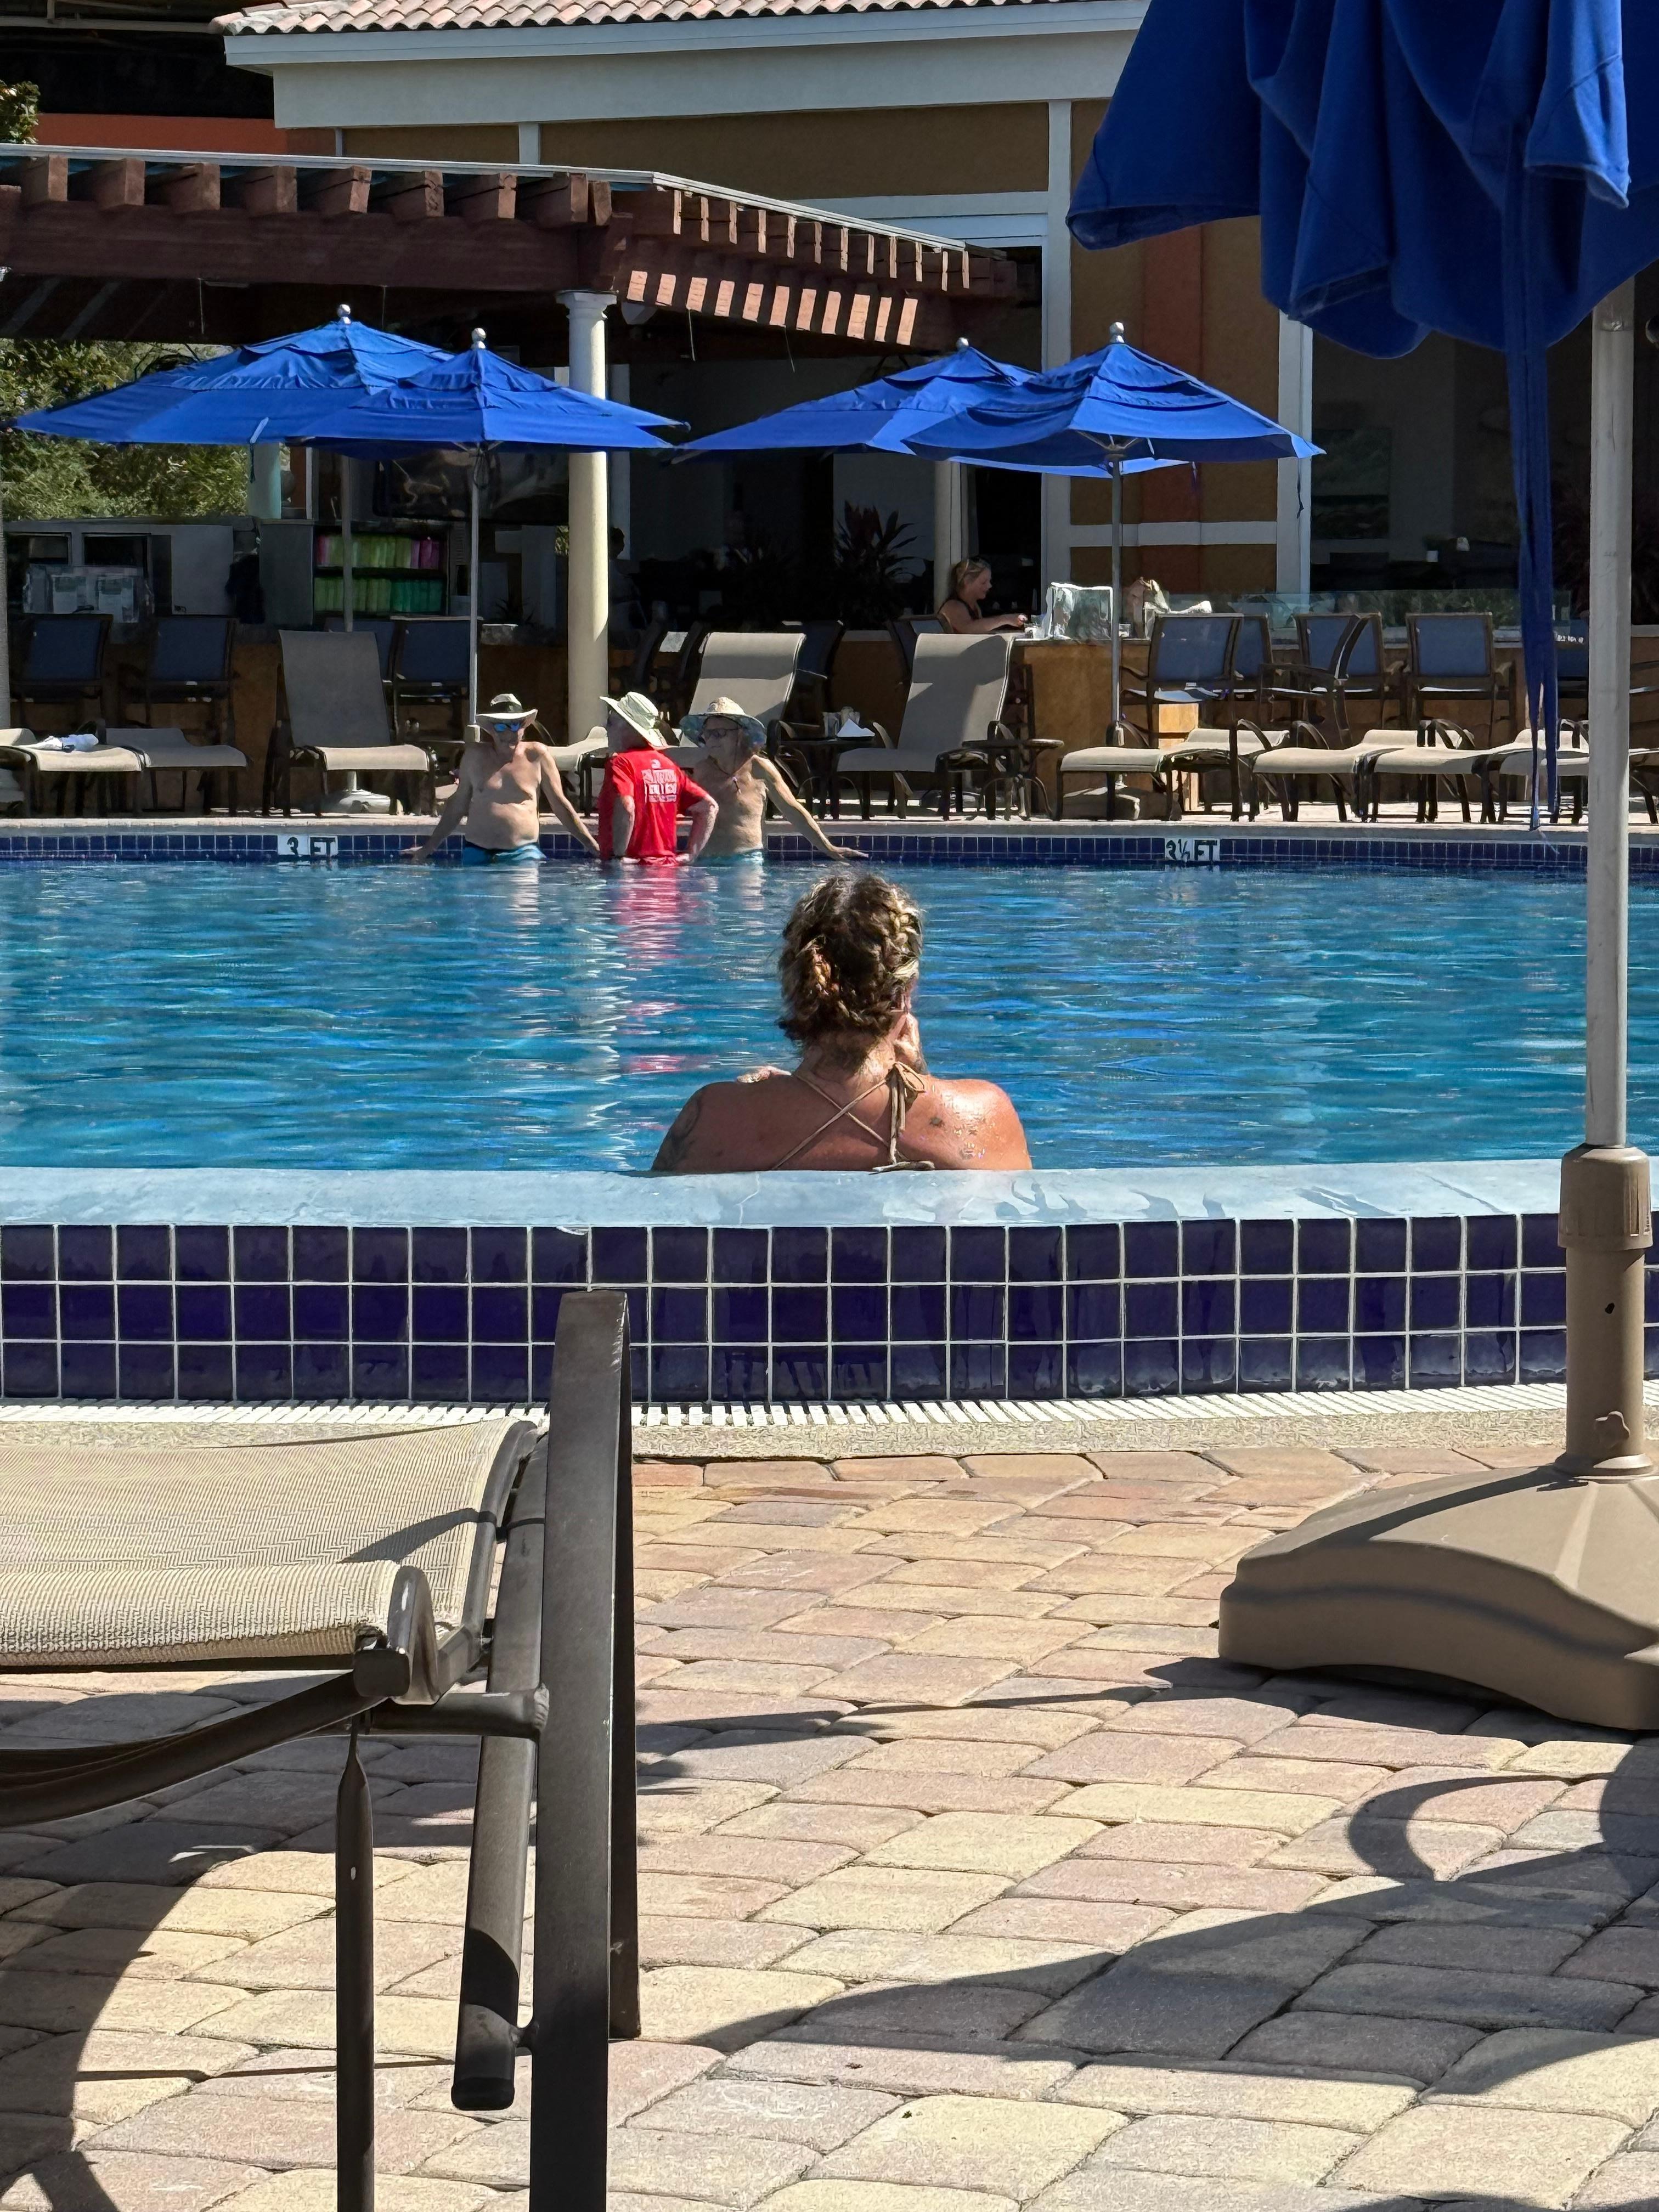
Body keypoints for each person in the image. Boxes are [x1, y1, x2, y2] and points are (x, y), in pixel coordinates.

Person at [651, 872, 1030, 1172]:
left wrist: (773, 1096)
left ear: (796, 984)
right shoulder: (985, 1116)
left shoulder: (714, 1118)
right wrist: (920, 1074)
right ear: (905, 991)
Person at [404, 693, 599, 865]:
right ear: (491, 730)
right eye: (500, 727)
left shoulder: (537, 756)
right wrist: (427, 849)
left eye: (515, 725)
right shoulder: (474, 757)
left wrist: (593, 846)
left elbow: (560, 805)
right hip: (476, 854)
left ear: (524, 727)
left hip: (523, 855)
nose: (509, 734)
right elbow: (458, 806)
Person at [681, 696, 859, 865]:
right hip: (705, 862)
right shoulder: (701, 770)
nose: (711, 740)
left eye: (719, 733)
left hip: (745, 861)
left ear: (740, 735)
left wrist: (829, 849)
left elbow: (793, 811)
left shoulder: (759, 769)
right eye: (707, 734)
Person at [596, 689, 718, 865]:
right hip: (667, 872)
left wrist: (619, 857)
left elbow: (627, 807)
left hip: (630, 871)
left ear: (628, 728)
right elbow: (709, 807)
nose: (606, 728)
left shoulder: (621, 764)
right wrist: (691, 854)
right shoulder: (669, 766)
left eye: (610, 722)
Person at [937, 556, 1028, 636]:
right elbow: (969, 630)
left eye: (989, 581)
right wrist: (1004, 619)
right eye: (984, 582)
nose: (989, 586)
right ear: (967, 582)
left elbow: (980, 631)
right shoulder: (953, 606)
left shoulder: (974, 606)